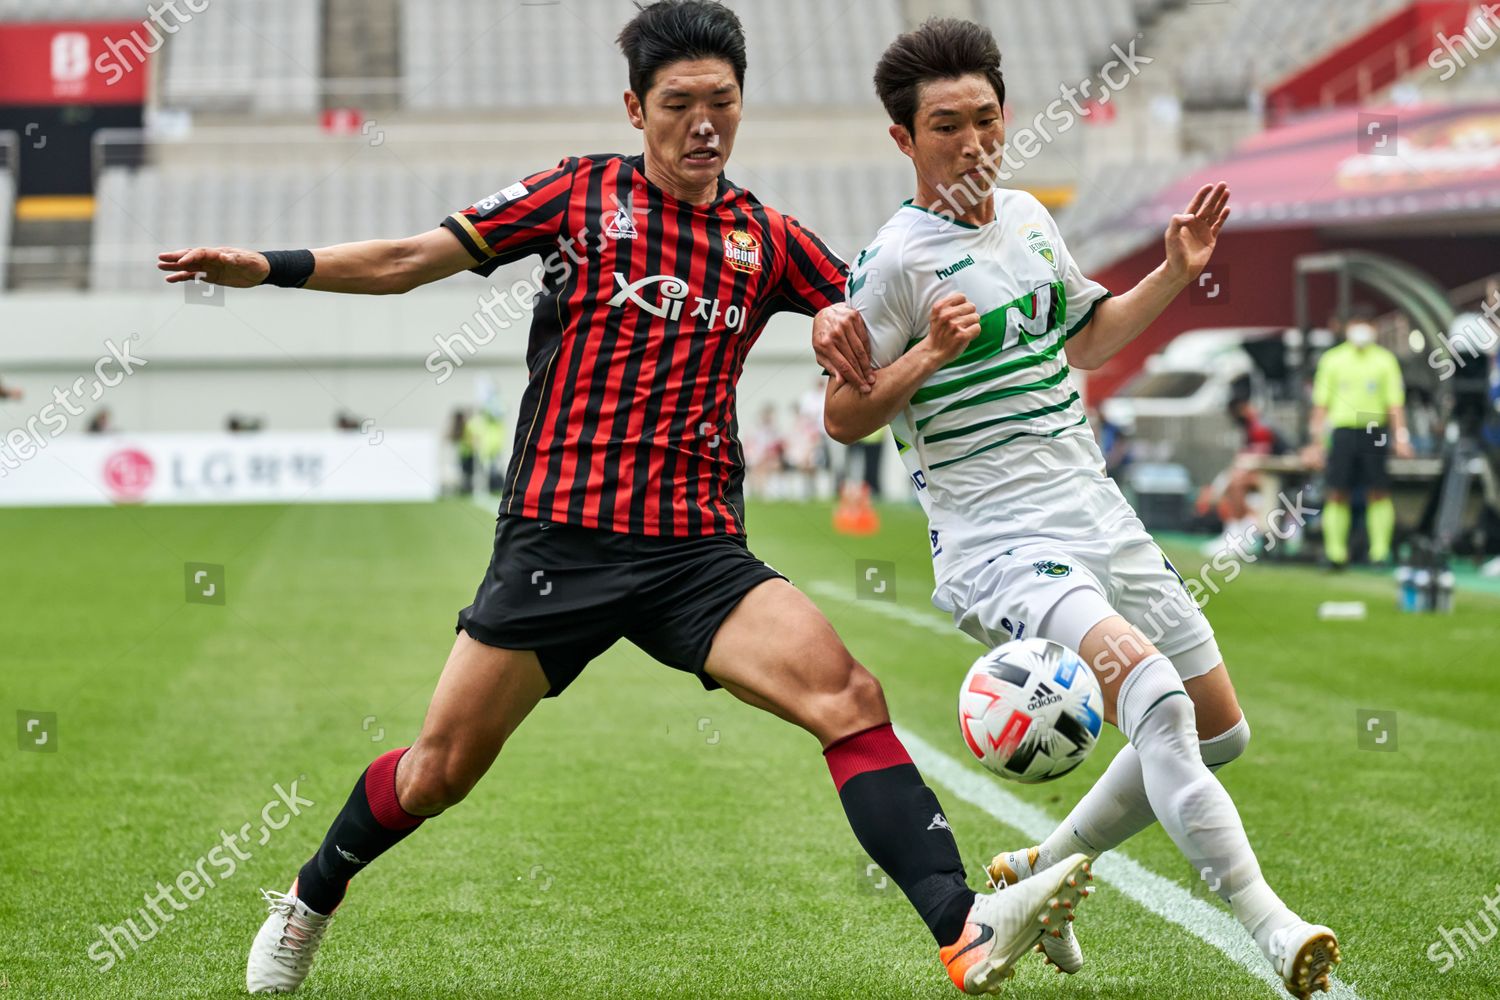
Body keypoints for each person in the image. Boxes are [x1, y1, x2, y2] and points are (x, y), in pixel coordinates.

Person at [158, 3, 1089, 995]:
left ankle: (964, 930)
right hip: (561, 542)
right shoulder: (576, 195)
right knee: (439, 771)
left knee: (848, 696)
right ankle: (310, 895)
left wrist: (842, 327)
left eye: (722, 103)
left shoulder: (766, 236)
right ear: (635, 109)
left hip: (697, 553)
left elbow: (867, 317)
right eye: (679, 103)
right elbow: (404, 263)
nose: (704, 123)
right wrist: (270, 269)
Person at [818, 18, 1339, 998]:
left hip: (1095, 509)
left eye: (986, 118)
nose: (973, 143)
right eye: (945, 127)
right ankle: (1274, 928)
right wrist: (926, 354)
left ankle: (1037, 866)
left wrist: (1176, 272)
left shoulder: (1027, 218)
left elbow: (1089, 340)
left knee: (1222, 728)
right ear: (905, 140)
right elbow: (844, 414)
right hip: (1002, 543)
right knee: (1159, 705)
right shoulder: (892, 262)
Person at [1303, 314, 1412, 568]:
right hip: (1342, 429)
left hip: (1373, 426)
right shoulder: (1333, 359)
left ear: (1373, 328)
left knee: (1378, 490)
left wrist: (1401, 437)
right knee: (1337, 491)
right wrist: (1316, 442)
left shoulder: (1385, 360)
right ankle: (1335, 553)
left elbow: (1395, 403)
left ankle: (1379, 553)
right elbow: (1321, 406)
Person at [1196, 397, 1290, 555]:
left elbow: (1261, 459)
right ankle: (1234, 531)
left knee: (1235, 484)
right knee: (1229, 484)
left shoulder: (1260, 427)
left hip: (1276, 476)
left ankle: (1240, 535)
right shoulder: (1249, 428)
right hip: (1262, 475)